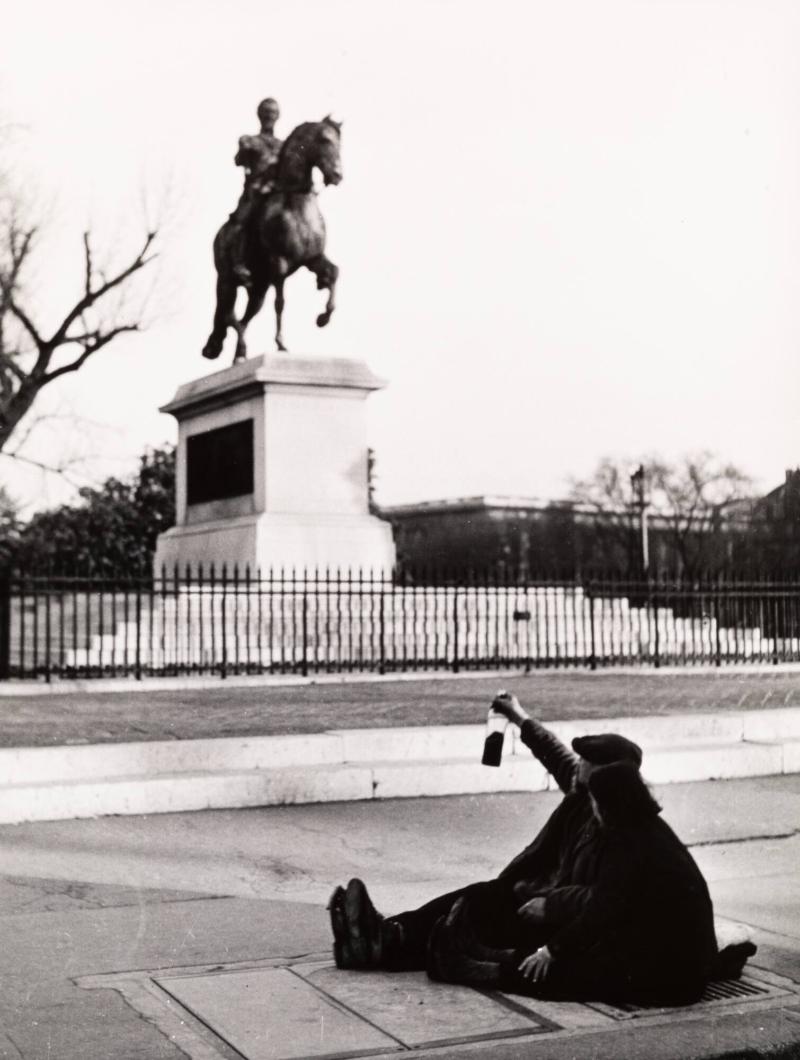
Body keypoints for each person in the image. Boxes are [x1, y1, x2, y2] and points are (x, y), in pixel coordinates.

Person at [329, 692, 755, 1005]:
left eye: (588, 766)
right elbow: (556, 755)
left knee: (483, 920)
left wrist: (550, 908)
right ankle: (387, 937)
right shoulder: (590, 796)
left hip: (564, 917)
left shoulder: (621, 830)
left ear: (609, 781)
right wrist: (519, 716)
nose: (578, 768)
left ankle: (406, 947)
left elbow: (605, 900)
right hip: (546, 903)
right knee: (479, 899)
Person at [228, 97, 284, 287]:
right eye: (266, 112)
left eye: (273, 113)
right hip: (256, 191)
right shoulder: (250, 140)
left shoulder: (283, 145)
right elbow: (238, 161)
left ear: (277, 116)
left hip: (277, 192)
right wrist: (245, 150)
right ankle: (238, 261)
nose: (269, 116)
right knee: (242, 220)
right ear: (260, 115)